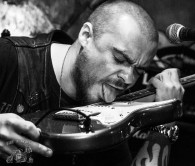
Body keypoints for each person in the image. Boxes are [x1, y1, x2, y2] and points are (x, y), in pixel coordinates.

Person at [0, 0, 184, 165]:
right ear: (86, 35)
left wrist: (165, 120)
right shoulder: (8, 57)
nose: (128, 78)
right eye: (120, 59)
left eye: (139, 70)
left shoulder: (106, 117)